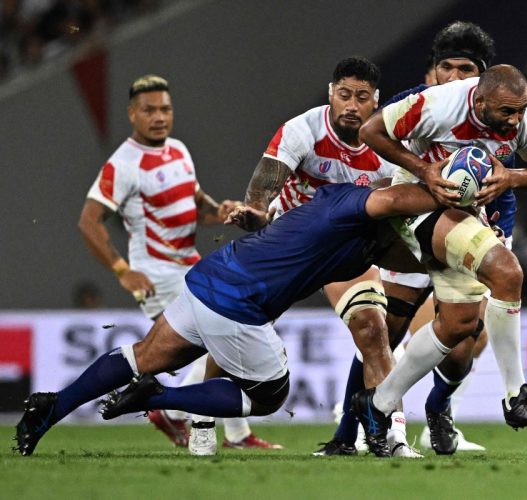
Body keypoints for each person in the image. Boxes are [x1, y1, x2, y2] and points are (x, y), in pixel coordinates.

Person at [13, 181, 442, 457]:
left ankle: (52, 407)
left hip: (208, 279)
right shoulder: (356, 201)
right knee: (269, 394)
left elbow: (413, 257)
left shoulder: (360, 238)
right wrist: (451, 190)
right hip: (237, 304)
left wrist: (459, 258)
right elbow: (391, 198)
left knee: (143, 354)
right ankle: (154, 399)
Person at [352, 64, 527, 456]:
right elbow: (370, 132)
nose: (515, 120)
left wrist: (512, 177)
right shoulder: (439, 105)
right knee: (507, 271)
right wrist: (424, 170)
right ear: (479, 101)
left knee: (458, 325)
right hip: (415, 199)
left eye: (520, 111)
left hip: (463, 214)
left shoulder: (524, 113)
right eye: (506, 112)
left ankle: (377, 404)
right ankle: (515, 395)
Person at [77, 74, 280, 454]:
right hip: (155, 272)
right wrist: (123, 270)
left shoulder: (178, 150)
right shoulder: (123, 163)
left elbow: (194, 201)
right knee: (224, 337)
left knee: (225, 341)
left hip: (189, 266)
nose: (159, 117)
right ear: (132, 114)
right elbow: (89, 221)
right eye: (149, 110)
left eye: (165, 109)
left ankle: (233, 434)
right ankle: (178, 413)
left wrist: (217, 210)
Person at [329, 20, 502, 455]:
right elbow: (371, 158)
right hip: (410, 235)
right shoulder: (410, 106)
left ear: (482, 74)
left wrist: (505, 229)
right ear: (435, 70)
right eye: (448, 67)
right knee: (382, 335)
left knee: (467, 339)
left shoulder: (499, 112)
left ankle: (439, 416)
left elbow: (506, 178)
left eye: (467, 69)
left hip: (469, 234)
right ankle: (346, 434)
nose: (456, 78)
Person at [241, 56, 419, 458]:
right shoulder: (303, 129)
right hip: (288, 245)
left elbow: (402, 205)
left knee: (375, 333)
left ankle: (394, 438)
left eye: (361, 97)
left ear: (376, 101)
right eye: (343, 95)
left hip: (345, 251)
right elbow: (262, 187)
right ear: (330, 95)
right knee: (234, 322)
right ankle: (201, 424)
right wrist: (254, 212)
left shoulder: (389, 150)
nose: (351, 106)